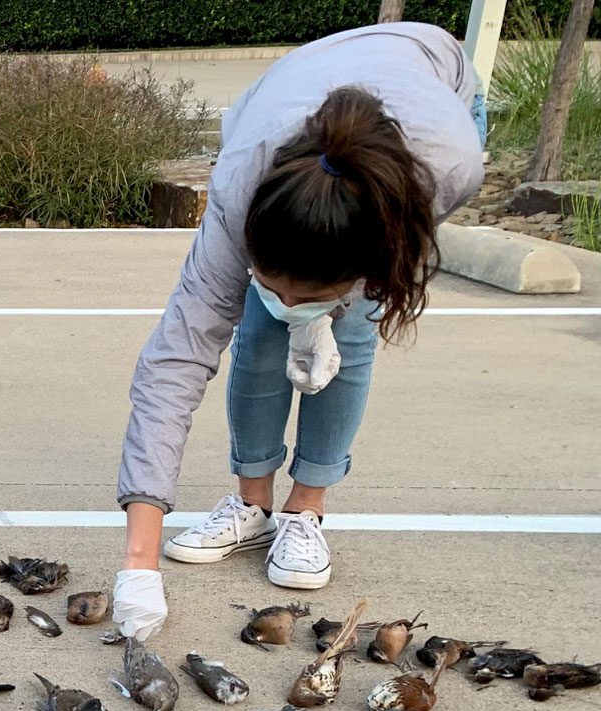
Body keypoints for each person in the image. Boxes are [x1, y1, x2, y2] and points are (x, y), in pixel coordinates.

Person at [113, 23, 484, 640]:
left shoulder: (444, 169)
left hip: (427, 95)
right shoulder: (241, 188)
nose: (289, 301)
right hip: (285, 105)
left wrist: (333, 312)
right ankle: (252, 504)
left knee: (356, 331)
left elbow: (376, 267)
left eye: (304, 292)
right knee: (259, 332)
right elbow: (176, 358)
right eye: (271, 277)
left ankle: (306, 507)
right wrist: (138, 564)